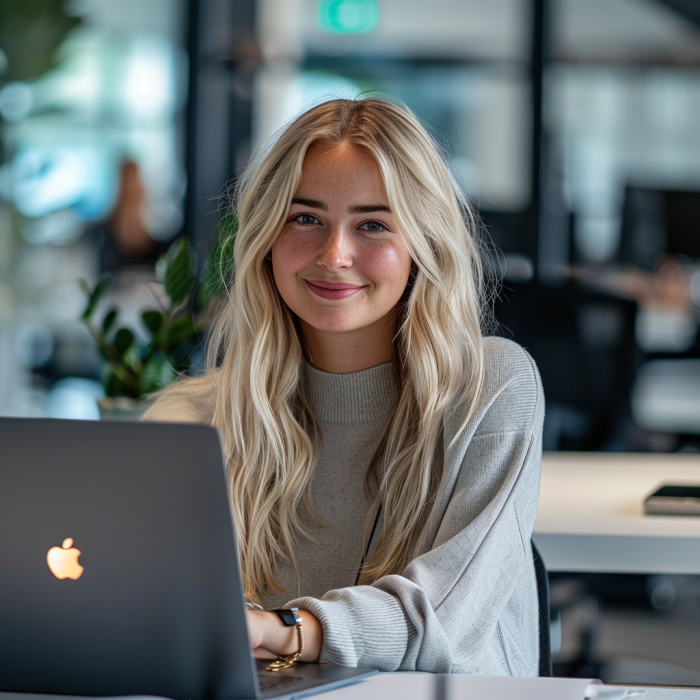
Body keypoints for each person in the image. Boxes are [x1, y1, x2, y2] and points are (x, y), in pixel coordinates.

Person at [143, 98, 544, 675]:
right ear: (267, 237)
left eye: (373, 225)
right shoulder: (193, 420)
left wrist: (283, 631)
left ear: (423, 243)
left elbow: (445, 621)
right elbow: (159, 610)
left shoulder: (492, 390)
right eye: (305, 218)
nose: (335, 255)